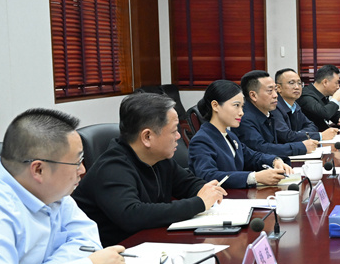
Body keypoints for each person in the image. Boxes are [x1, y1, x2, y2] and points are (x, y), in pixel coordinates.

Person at [0, 108, 126, 264]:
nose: (82, 170)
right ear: (39, 169)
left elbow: (88, 242)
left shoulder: (52, 190)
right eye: (77, 162)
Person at [74, 93, 227, 246]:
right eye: (174, 131)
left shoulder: (159, 159)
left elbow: (188, 184)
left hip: (151, 242)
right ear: (147, 137)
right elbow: (132, 215)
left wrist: (207, 191)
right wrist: (199, 203)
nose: (179, 136)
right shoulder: (112, 168)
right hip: (117, 252)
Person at [188, 80, 294, 188]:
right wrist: (254, 177)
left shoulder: (230, 136)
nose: (241, 112)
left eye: (242, 106)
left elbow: (252, 157)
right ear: (215, 105)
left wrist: (275, 161)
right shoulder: (201, 140)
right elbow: (208, 176)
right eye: (236, 105)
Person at [235, 70, 320, 157]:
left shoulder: (268, 113)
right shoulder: (244, 118)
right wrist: (300, 147)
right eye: (270, 91)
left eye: (275, 90)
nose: (275, 95)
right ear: (253, 95)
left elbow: (274, 144)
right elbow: (262, 148)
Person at [275, 68, 338, 141]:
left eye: (299, 83)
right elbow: (286, 136)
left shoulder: (295, 106)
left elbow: (312, 126)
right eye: (291, 83)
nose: (297, 87)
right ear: (279, 88)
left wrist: (299, 134)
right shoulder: (274, 107)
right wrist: (319, 136)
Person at [298, 64, 340, 130]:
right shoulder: (305, 96)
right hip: (311, 135)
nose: (338, 87)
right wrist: (335, 99)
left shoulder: (322, 95)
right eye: (336, 83)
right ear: (325, 82)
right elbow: (324, 113)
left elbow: (333, 114)